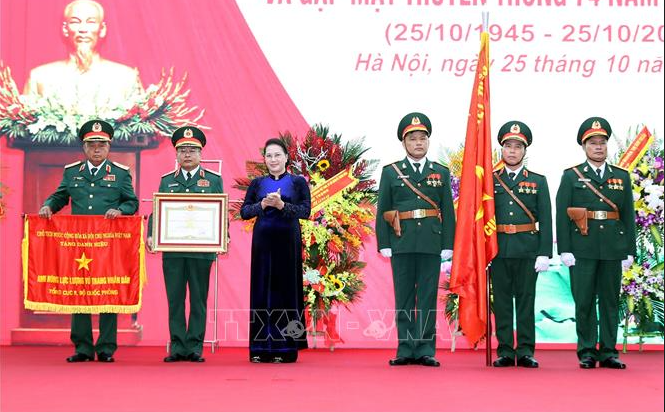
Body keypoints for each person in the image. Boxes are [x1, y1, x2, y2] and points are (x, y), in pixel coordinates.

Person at [38, 119, 139, 362]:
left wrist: (121, 211)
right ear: (84, 148)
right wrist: (49, 206)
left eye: (101, 145)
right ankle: (82, 347)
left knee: (108, 290)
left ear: (108, 147)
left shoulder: (120, 173)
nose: (96, 149)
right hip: (79, 242)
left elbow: (132, 202)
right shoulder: (72, 172)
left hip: (108, 242)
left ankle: (106, 347)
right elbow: (60, 196)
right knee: (79, 290)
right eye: (91, 145)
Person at [376, 112, 456, 367]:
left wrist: (448, 244)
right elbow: (383, 209)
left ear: (428, 141)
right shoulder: (391, 172)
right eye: (412, 139)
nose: (418, 143)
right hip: (401, 241)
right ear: (404, 143)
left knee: (428, 296)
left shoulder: (440, 172)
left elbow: (448, 211)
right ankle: (405, 348)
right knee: (404, 297)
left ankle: (425, 349)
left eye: (423, 138)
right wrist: (384, 242)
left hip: (431, 242)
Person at [556, 117, 636, 370]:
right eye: (593, 143)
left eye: (602, 142)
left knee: (610, 301)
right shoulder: (571, 176)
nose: (598, 147)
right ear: (584, 147)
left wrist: (629, 250)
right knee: (585, 301)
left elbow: (628, 215)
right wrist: (565, 249)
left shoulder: (621, 177)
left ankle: (609, 351)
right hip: (583, 247)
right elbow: (562, 215)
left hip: (613, 247)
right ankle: (587, 351)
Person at [147, 126, 223, 363]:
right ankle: (178, 347)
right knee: (175, 299)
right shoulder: (167, 181)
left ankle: (195, 347)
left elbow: (221, 213)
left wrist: (224, 236)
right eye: (182, 150)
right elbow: (157, 211)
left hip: (202, 251)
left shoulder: (213, 180)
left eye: (192, 150)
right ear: (176, 154)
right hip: (173, 251)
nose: (187, 154)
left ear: (200, 153)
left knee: (199, 300)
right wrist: (151, 235)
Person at [240, 138, 311, 363]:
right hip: (262, 243)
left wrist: (282, 205)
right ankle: (260, 348)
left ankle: (286, 349)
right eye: (269, 156)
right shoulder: (257, 183)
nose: (273, 160)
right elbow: (244, 212)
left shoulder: (298, 182)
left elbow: (305, 211)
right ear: (264, 159)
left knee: (287, 292)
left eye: (277, 155)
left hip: (288, 242)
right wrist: (262, 205)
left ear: (286, 157)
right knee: (261, 291)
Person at [491, 121, 553, 368]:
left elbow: (546, 218)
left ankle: (526, 350)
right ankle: (505, 350)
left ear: (525, 151)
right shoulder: (490, 181)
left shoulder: (538, 181)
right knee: (502, 301)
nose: (513, 151)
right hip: (498, 249)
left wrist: (544, 253)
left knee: (526, 300)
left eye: (518, 147)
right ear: (502, 149)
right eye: (508, 146)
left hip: (528, 249)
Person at [23, 0, 142, 114]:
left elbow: (142, 124)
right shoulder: (41, 77)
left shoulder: (126, 77)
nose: (83, 29)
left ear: (102, 29)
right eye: (75, 22)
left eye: (91, 22)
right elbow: (23, 124)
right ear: (65, 29)